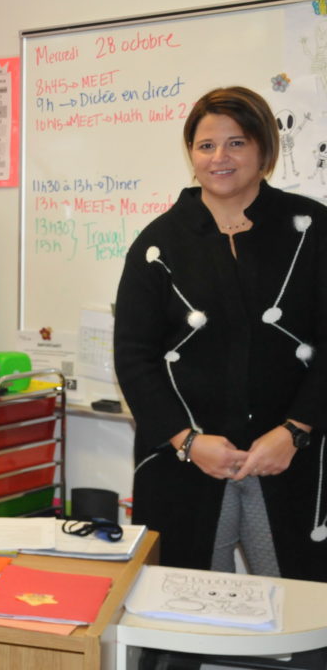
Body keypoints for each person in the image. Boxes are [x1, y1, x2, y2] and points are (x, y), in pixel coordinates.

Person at [114, 86, 327, 582]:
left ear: (264, 149)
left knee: (306, 614)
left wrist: (296, 430)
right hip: (185, 462)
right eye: (206, 145)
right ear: (191, 153)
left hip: (295, 458)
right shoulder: (157, 245)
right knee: (179, 616)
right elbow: (134, 358)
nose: (220, 158)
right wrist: (187, 441)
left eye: (236, 143)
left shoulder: (312, 230)